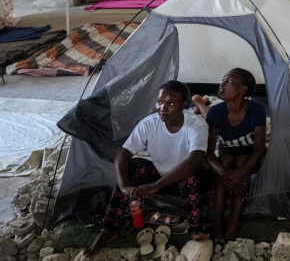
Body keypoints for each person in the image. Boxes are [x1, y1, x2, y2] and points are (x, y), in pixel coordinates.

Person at [83, 81, 209, 257]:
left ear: (183, 105)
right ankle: (110, 227)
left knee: (189, 178)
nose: (162, 108)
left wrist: (156, 185)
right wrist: (125, 186)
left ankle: (196, 228)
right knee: (135, 166)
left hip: (186, 178)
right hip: (159, 175)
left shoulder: (196, 125)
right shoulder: (149, 124)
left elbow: (194, 162)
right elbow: (123, 155)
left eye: (170, 103)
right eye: (159, 102)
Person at [192, 69, 267, 243]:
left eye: (230, 81)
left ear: (243, 89)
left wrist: (240, 173)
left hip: (249, 160)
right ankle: (217, 221)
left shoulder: (256, 110)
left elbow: (260, 148)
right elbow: (209, 154)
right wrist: (227, 177)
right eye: (223, 80)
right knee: (224, 160)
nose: (222, 83)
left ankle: (234, 221)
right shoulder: (216, 113)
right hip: (228, 158)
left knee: (241, 160)